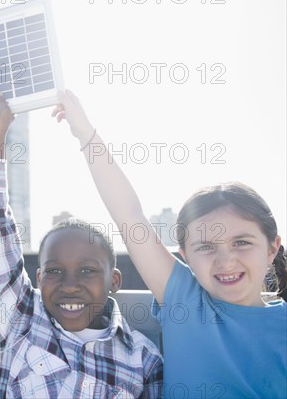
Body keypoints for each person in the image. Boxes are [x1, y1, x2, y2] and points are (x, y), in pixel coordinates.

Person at [53, 89, 287, 398]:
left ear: (272, 248)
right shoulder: (184, 299)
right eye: (205, 247)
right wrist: (85, 134)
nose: (225, 261)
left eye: (241, 242)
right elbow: (129, 216)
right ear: (185, 256)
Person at [0, 95, 163, 398]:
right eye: (55, 271)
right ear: (38, 280)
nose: (69, 285)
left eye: (87, 270)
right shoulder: (21, 319)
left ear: (113, 280)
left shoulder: (143, 358)